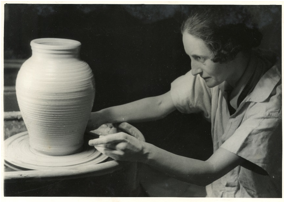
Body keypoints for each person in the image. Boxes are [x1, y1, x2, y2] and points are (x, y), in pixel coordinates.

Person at [87, 6, 282, 198]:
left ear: (231, 50)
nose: (194, 69)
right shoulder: (222, 72)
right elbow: (160, 104)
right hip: (220, 192)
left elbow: (209, 170)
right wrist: (99, 116)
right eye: (190, 57)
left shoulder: (271, 107)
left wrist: (142, 152)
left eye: (199, 58)